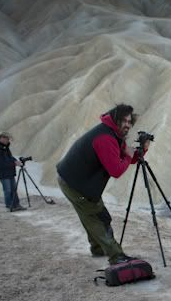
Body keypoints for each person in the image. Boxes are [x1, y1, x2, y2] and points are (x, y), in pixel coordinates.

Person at [56, 104, 149, 265]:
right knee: (97, 217)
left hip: (74, 180)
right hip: (76, 184)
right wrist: (127, 156)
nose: (127, 124)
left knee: (93, 215)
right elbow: (116, 170)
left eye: (129, 121)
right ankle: (116, 256)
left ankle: (98, 248)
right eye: (124, 120)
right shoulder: (105, 138)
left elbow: (129, 158)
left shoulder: (112, 134)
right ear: (115, 119)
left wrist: (143, 150)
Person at [0, 131, 25, 211]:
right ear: (1, 138)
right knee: (8, 190)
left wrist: (16, 161)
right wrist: (14, 163)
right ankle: (10, 206)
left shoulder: (4, 147)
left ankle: (16, 204)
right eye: (7, 138)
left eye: (8, 139)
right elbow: (1, 163)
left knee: (13, 188)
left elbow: (10, 157)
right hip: (3, 173)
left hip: (9, 171)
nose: (8, 140)